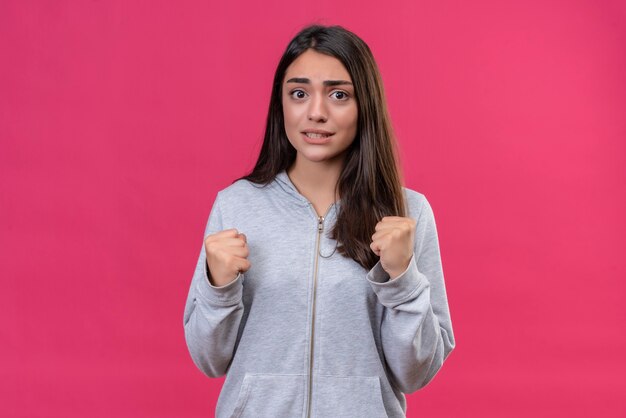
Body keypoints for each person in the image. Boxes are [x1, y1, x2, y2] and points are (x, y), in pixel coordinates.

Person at [183, 24, 455, 418]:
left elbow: (417, 371)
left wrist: (403, 280)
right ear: (281, 104)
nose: (315, 112)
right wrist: (219, 288)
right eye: (299, 93)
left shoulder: (406, 212)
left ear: (365, 106)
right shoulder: (236, 205)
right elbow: (210, 360)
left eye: (338, 94)